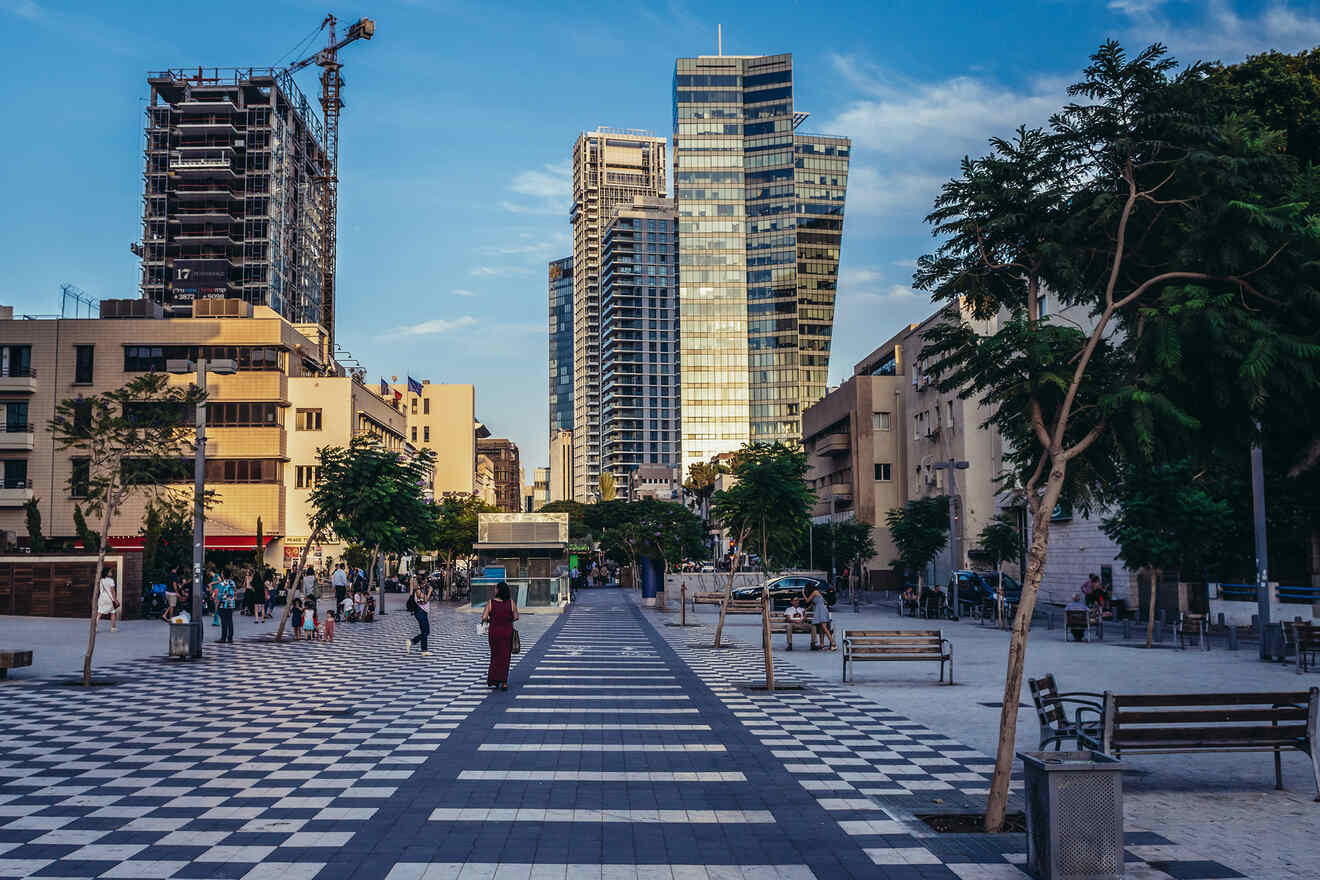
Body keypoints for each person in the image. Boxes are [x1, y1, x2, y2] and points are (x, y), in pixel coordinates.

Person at [483, 581, 519, 689]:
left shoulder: (491, 602)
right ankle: (504, 682)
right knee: (505, 657)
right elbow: (516, 617)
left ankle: (494, 679)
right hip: (507, 632)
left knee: (495, 655)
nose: (494, 590)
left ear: (498, 590)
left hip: (494, 632)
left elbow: (484, 617)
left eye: (496, 589)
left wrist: (491, 620)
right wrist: (507, 620)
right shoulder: (511, 602)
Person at [405, 578, 433, 656]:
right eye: (425, 582)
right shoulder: (418, 591)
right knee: (425, 632)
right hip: (420, 612)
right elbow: (425, 600)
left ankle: (422, 649)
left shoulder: (418, 590)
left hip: (421, 612)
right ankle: (413, 642)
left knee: (425, 632)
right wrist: (430, 591)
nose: (427, 583)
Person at [96, 567, 119, 633]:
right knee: (113, 612)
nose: (111, 573)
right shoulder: (111, 580)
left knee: (99, 613)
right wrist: (115, 600)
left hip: (102, 597)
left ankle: (95, 627)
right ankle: (113, 628)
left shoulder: (101, 580)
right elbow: (112, 591)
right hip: (109, 598)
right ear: (107, 573)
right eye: (110, 571)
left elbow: (100, 589)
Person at [216, 570, 236, 643]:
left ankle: (223, 638)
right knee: (230, 621)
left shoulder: (221, 584)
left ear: (223, 575)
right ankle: (230, 638)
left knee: (224, 622)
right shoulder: (232, 582)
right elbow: (234, 591)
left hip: (223, 604)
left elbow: (219, 595)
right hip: (231, 603)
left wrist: (217, 604)